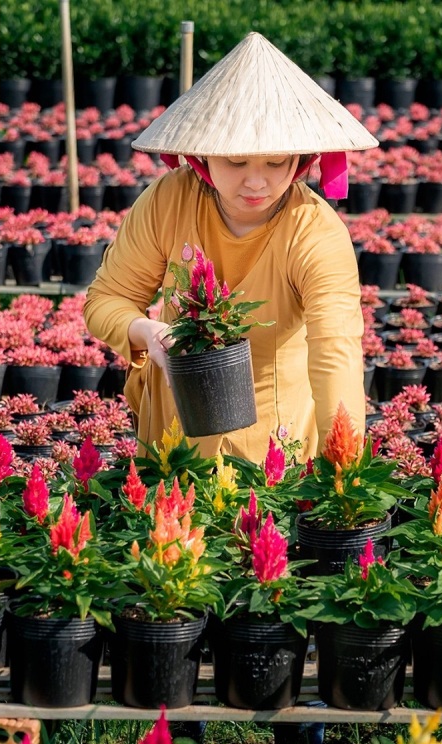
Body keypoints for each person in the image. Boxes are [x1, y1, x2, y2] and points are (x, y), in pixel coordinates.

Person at [84, 31, 378, 462]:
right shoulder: (169, 201)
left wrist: (345, 468)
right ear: (202, 157)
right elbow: (108, 299)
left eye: (276, 162)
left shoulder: (314, 229)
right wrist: (145, 331)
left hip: (275, 450)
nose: (256, 182)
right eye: (236, 162)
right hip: (176, 436)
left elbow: (335, 349)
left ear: (301, 160)